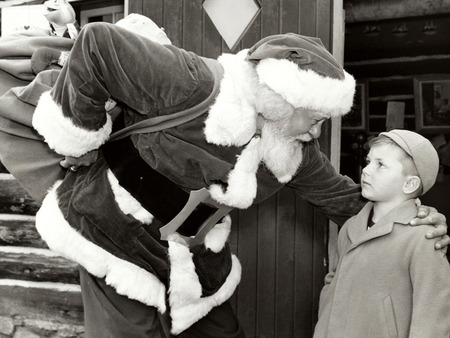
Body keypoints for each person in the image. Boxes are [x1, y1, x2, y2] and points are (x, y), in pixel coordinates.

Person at [0, 18, 448, 337]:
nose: (319, 129)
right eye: (316, 116)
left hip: (193, 256)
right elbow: (98, 45)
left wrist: (416, 217)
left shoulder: (294, 151)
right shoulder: (198, 82)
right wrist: (77, 137)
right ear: (283, 98)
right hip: (112, 229)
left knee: (221, 331)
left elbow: (347, 201)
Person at [314, 130, 450, 338]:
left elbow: (432, 317)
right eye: (369, 162)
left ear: (410, 184)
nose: (366, 171)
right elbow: (332, 285)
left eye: (381, 165)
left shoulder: (423, 238)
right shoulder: (350, 227)